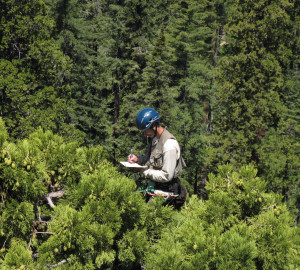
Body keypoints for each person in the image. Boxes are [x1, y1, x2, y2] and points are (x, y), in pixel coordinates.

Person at [128, 107, 186, 209]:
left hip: (167, 192)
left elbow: (167, 175)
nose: (144, 134)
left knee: (147, 217)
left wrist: (144, 172)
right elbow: (151, 160)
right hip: (155, 188)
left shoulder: (169, 145)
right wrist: (138, 160)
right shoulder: (154, 139)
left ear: (154, 125)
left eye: (146, 131)